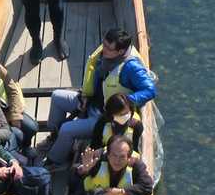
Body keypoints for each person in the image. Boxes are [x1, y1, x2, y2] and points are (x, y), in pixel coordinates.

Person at [41, 27, 157, 164]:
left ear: (120, 51)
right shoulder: (107, 55)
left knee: (67, 130)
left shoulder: (131, 67)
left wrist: (126, 101)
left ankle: (54, 161)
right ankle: (54, 137)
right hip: (91, 103)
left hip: (103, 116)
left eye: (108, 48)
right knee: (56, 97)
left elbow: (150, 90)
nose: (103, 49)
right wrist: (85, 97)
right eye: (104, 44)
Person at [75, 134, 155, 195]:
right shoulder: (98, 158)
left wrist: (122, 192)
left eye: (122, 157)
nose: (117, 161)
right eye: (114, 155)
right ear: (108, 155)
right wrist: (83, 170)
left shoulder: (135, 165)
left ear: (129, 158)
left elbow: (147, 187)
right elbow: (73, 176)